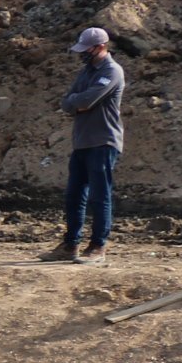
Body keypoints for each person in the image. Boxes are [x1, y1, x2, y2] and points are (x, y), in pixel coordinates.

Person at [51, 25, 125, 263]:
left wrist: (77, 102)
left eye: (87, 49)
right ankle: (70, 244)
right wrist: (76, 102)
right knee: (74, 195)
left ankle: (97, 246)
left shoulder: (112, 71)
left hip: (103, 141)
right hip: (82, 142)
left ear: (101, 47)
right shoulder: (86, 72)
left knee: (99, 196)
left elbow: (87, 100)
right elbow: (68, 101)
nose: (82, 54)